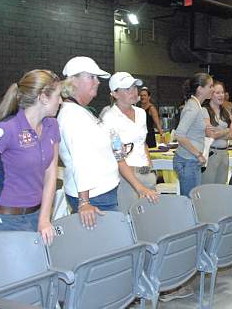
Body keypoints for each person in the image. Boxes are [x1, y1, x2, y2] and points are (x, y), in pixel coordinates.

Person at [0, 70, 61, 250]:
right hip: (7, 221)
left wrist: (44, 218)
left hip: (37, 217)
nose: (61, 101)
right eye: (58, 96)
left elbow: (51, 174)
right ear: (43, 97)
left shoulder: (52, 125)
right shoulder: (7, 129)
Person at [58, 57, 158, 229]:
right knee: (109, 245)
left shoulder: (84, 113)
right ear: (73, 81)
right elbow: (80, 160)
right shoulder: (72, 116)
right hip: (94, 198)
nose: (97, 82)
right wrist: (84, 202)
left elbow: (114, 150)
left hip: (105, 192)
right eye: (92, 77)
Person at [101, 72, 157, 212]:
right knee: (130, 218)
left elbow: (142, 143)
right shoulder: (109, 118)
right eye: (127, 89)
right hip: (125, 176)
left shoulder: (141, 113)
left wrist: (150, 169)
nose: (133, 92)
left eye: (134, 87)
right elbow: (118, 157)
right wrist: (139, 187)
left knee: (149, 219)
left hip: (144, 171)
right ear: (115, 94)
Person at [174, 73, 213, 196]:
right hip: (188, 161)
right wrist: (198, 154)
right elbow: (179, 135)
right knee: (190, 201)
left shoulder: (196, 106)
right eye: (210, 86)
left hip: (190, 161)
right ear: (200, 89)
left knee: (192, 200)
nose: (212, 89)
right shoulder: (193, 107)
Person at [202, 81, 232, 185]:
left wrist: (218, 133)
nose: (221, 95)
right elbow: (210, 134)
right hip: (211, 153)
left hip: (224, 153)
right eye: (217, 93)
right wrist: (226, 130)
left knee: (221, 187)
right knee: (208, 187)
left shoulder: (226, 112)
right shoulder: (204, 111)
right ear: (211, 94)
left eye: (222, 92)